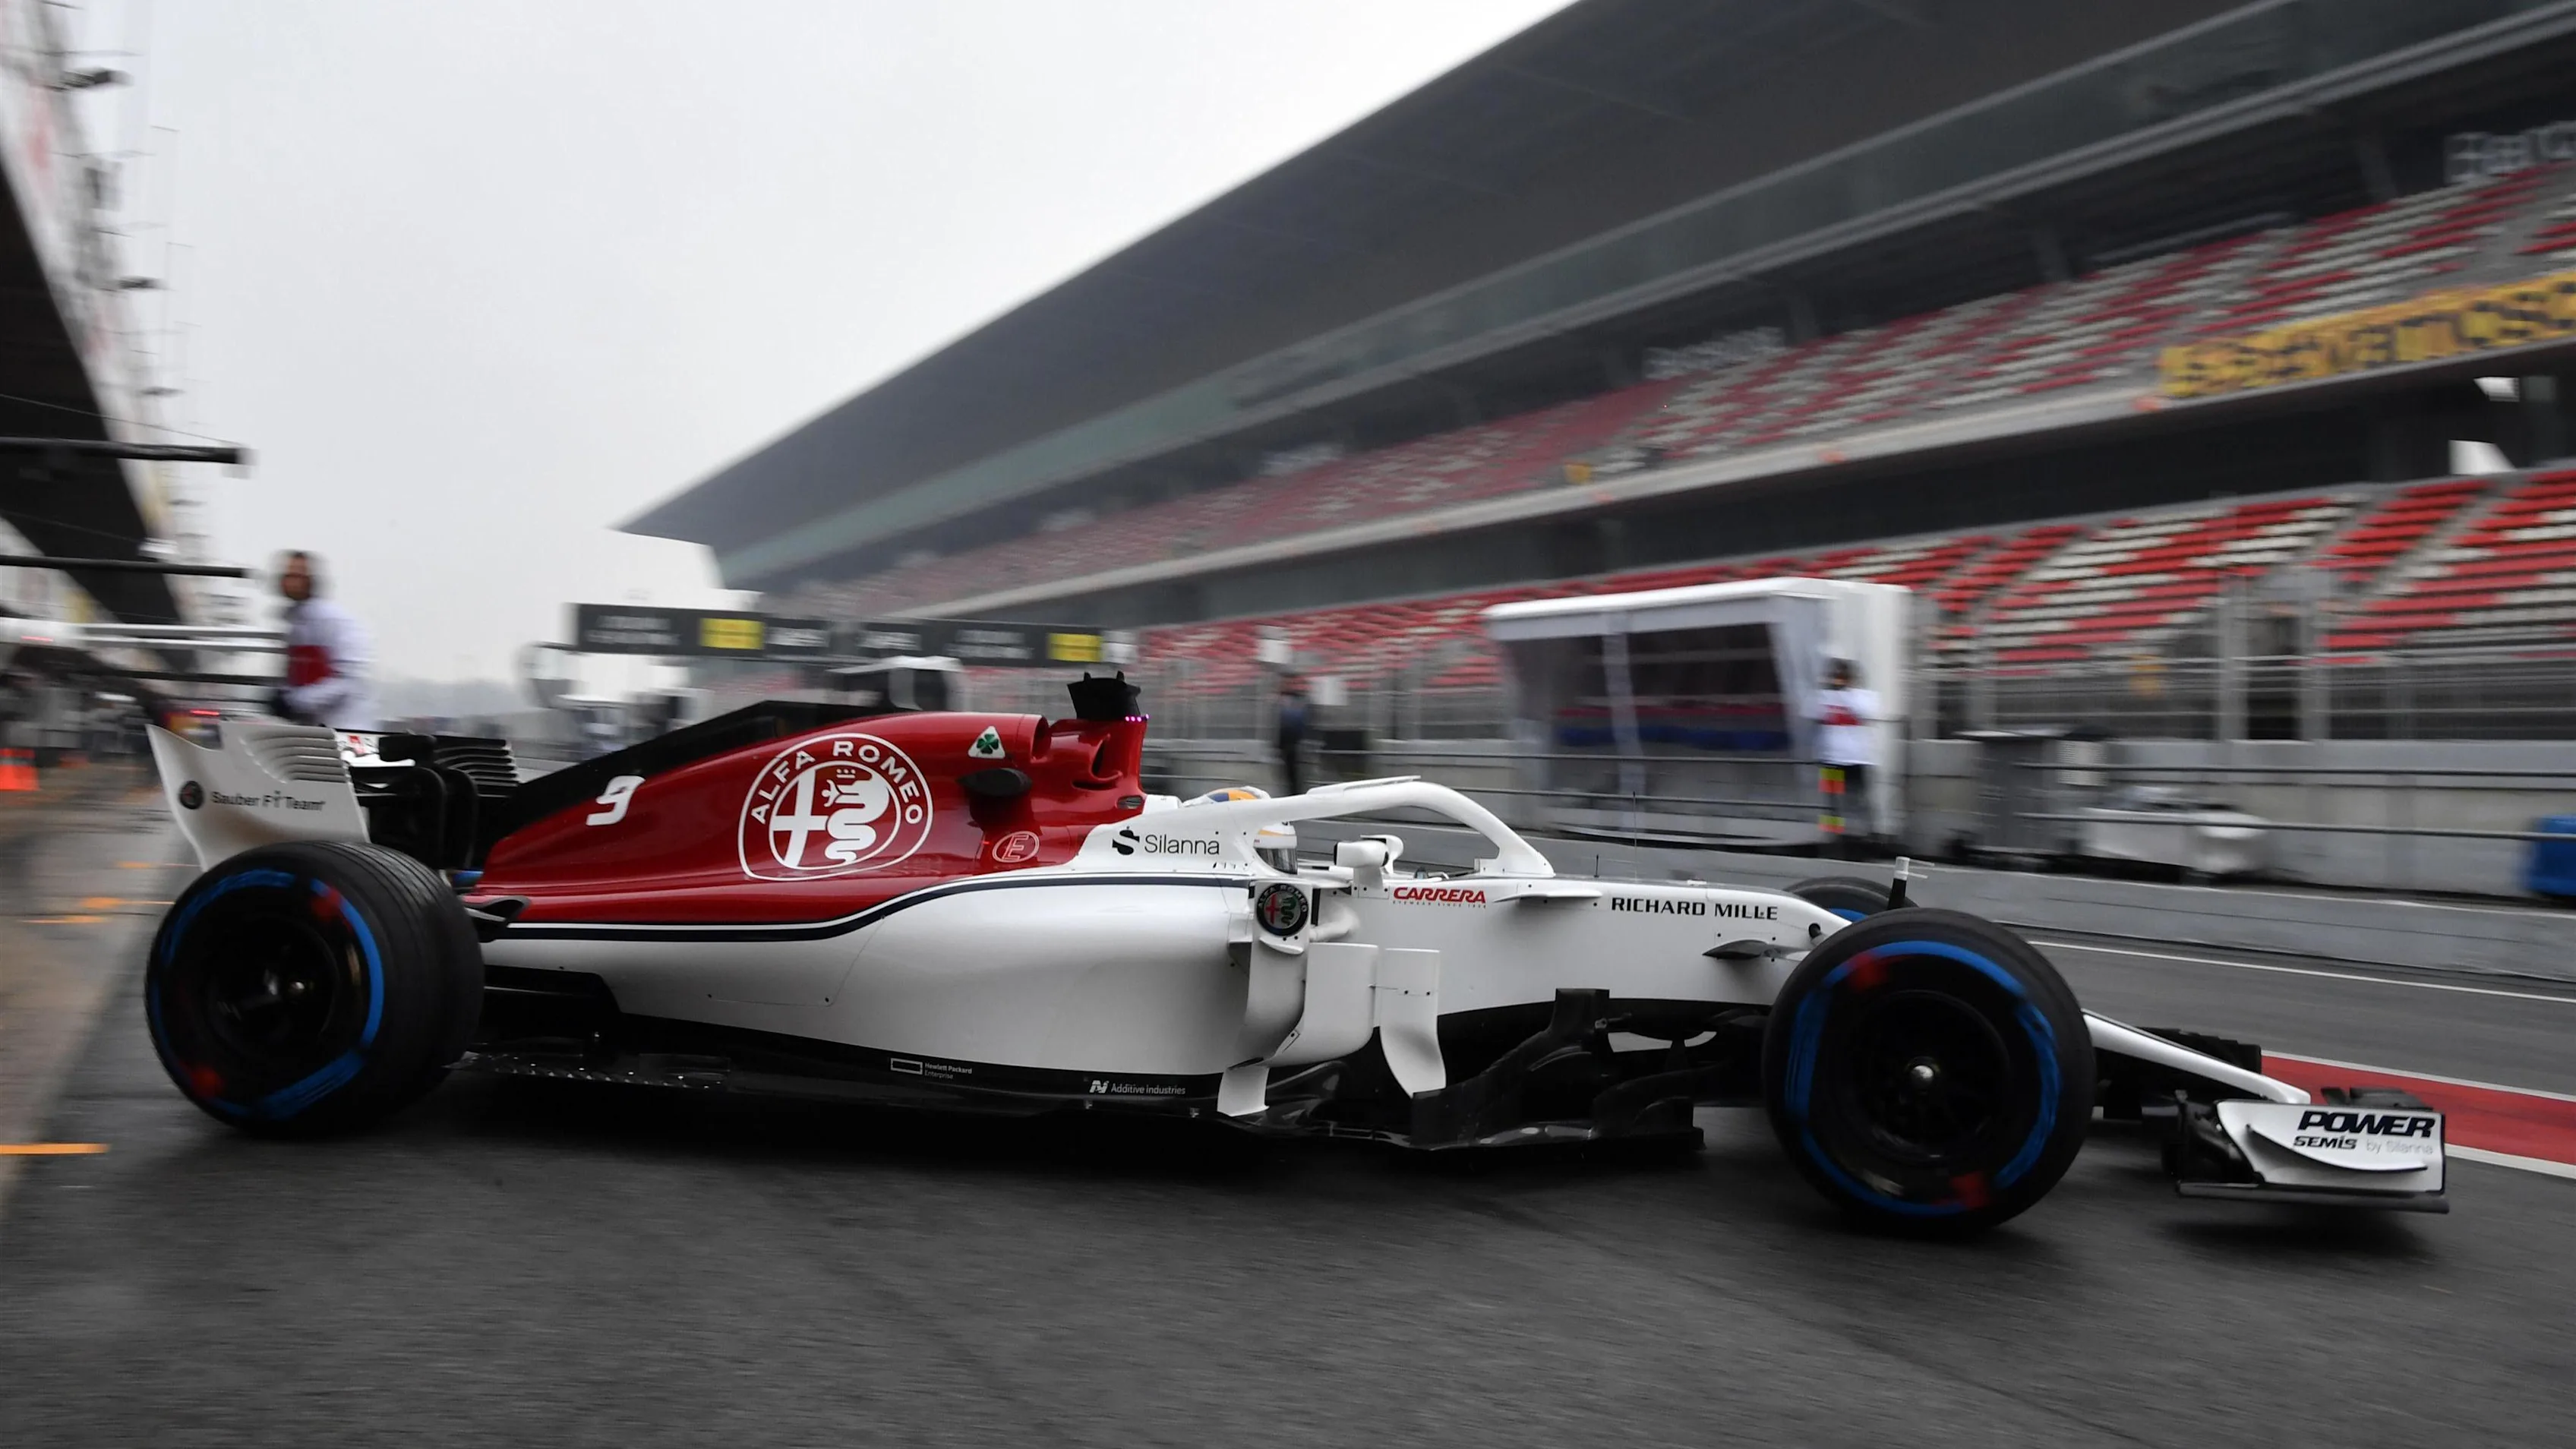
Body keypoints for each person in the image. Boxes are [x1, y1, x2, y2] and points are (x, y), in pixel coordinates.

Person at [275, 551, 380, 731]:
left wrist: (295, 701)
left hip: (345, 729)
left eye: (297, 576)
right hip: (311, 730)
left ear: (311, 580)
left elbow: (348, 681)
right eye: (287, 575)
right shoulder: (295, 625)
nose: (289, 581)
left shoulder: (335, 621)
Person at [1810, 658, 1880, 845]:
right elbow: (1813, 713)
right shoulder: (1823, 696)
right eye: (1835, 676)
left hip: (1858, 758)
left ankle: (1868, 832)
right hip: (1832, 758)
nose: (1837, 679)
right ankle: (1833, 835)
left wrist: (1846, 693)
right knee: (1832, 800)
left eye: (1841, 676)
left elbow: (1866, 712)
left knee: (1861, 799)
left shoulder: (1865, 696)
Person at [1274, 673, 1312, 797]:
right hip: (1285, 744)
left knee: (1297, 777)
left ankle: (1296, 797)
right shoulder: (1281, 699)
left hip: (1296, 743)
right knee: (1287, 777)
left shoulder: (1299, 700)